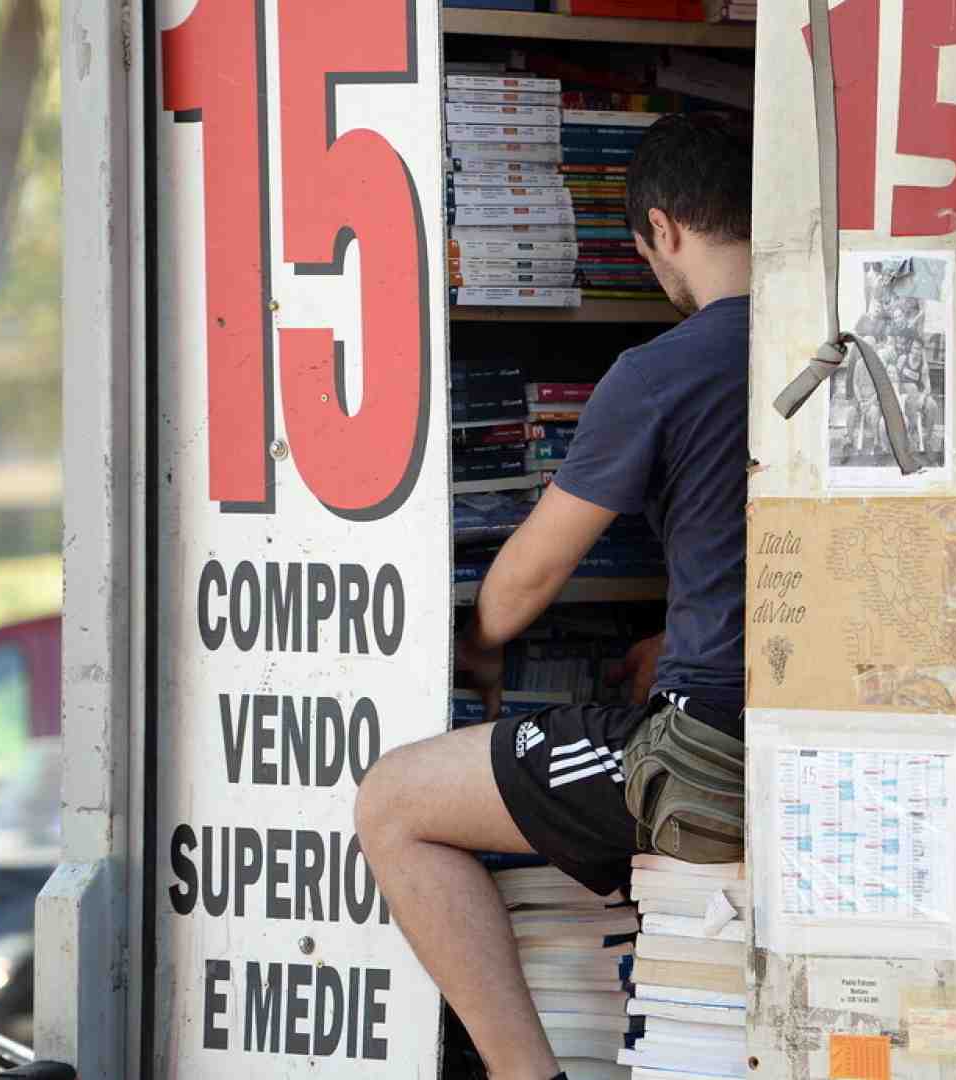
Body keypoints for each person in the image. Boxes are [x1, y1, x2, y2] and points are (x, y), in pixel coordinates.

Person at [354, 113, 752, 1080]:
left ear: (661, 230)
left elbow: (530, 573)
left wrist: (482, 642)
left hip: (715, 751)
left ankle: (526, 1075)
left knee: (393, 801)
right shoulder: (848, 339)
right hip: (818, 727)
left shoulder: (658, 373)